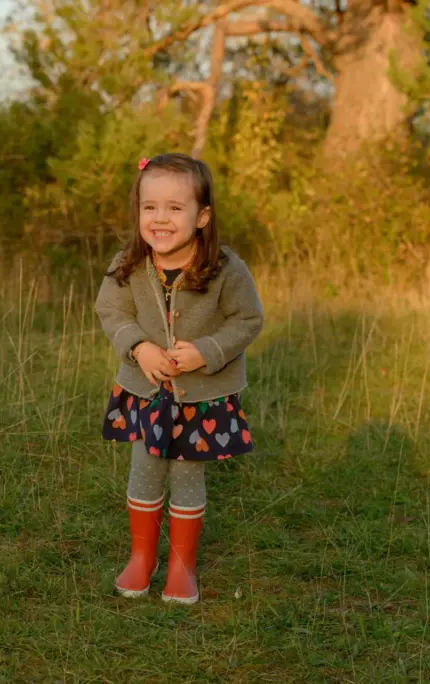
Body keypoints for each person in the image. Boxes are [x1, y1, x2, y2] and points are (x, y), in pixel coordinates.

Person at [95, 153, 264, 604]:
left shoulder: (227, 268)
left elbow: (247, 320)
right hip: (146, 392)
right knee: (144, 471)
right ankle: (140, 558)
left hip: (201, 396)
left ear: (202, 216)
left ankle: (182, 566)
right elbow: (111, 311)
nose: (161, 219)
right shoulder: (128, 262)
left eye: (175, 207)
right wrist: (138, 345)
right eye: (150, 207)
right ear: (138, 212)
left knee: (188, 476)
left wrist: (206, 351)